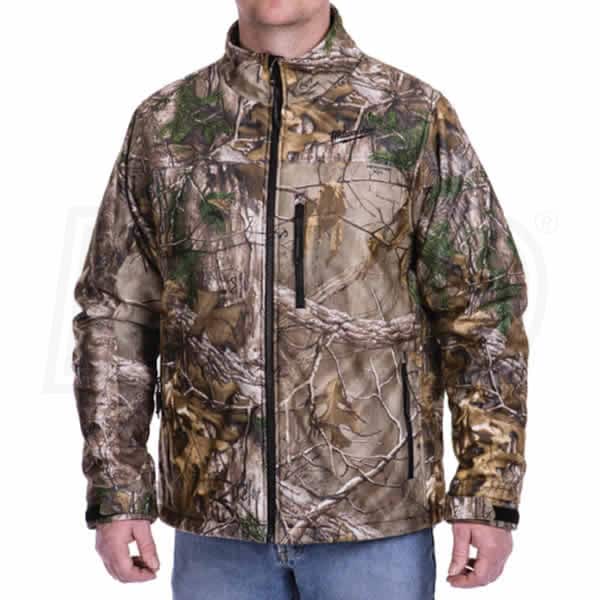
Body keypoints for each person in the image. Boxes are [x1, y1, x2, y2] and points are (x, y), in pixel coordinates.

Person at [71, 2, 529, 598]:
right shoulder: (169, 125)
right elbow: (115, 315)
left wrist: (488, 491)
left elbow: (482, 306)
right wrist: (118, 489)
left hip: (375, 518)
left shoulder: (409, 116)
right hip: (218, 522)